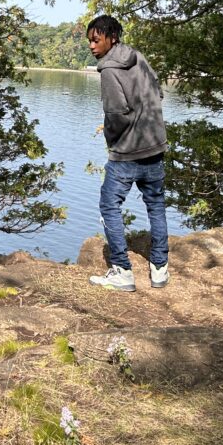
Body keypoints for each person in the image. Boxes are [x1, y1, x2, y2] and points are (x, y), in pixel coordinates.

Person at [86, 15, 169, 292]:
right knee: (155, 205)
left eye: (96, 40)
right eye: (89, 41)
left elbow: (116, 113)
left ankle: (122, 270)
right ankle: (159, 269)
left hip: (127, 154)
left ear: (112, 37)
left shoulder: (108, 70)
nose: (92, 45)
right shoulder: (139, 58)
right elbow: (157, 93)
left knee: (109, 206)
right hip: (155, 146)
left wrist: (112, 138)